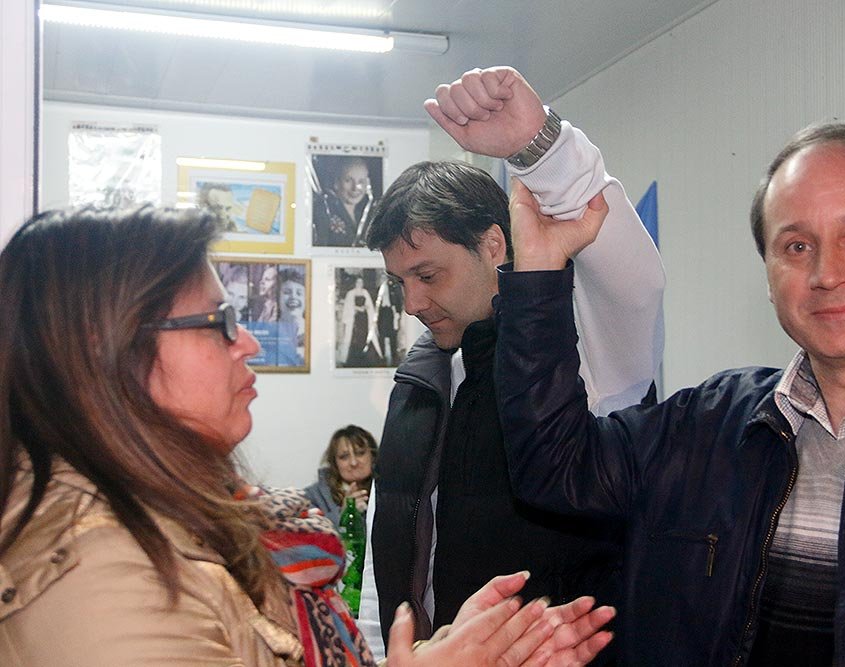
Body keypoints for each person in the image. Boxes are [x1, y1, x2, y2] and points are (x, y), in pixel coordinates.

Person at [0, 205, 616, 666]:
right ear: (108, 353)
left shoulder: (169, 521)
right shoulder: (101, 579)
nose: (247, 344)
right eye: (220, 322)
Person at [493, 122, 845, 665]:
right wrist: (540, 273)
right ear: (768, 275)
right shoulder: (709, 424)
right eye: (797, 246)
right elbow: (555, 466)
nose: (828, 274)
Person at [359, 66, 666, 661]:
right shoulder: (421, 379)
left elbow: (633, 278)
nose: (412, 303)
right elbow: (391, 551)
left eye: (428, 275)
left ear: (494, 245)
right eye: (399, 282)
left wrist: (538, 147)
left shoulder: (586, 354)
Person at [304, 425, 378, 524]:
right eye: (344, 457)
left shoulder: (388, 491)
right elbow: (306, 530)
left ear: (373, 456)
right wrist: (343, 514)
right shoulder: (311, 497)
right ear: (334, 463)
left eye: (360, 453)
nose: (353, 463)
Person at [313, 157, 375, 247]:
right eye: (348, 180)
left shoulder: (367, 216)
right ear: (337, 182)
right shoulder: (324, 211)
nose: (355, 188)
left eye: (361, 181)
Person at [339, 275, 381, 366]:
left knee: (364, 336)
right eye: (358, 282)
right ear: (355, 283)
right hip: (355, 319)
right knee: (355, 338)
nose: (360, 284)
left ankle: (365, 359)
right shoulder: (351, 293)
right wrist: (358, 308)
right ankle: (354, 359)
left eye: (361, 282)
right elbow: (348, 306)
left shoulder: (365, 292)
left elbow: (369, 305)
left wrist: (365, 308)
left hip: (364, 319)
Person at [374, 276, 404, 366]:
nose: (383, 280)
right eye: (381, 278)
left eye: (384, 278)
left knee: (392, 335)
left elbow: (399, 300)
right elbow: (376, 302)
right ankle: (382, 357)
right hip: (382, 313)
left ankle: (394, 357)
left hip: (391, 312)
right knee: (381, 336)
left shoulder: (394, 288)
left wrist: (398, 313)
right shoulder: (379, 289)